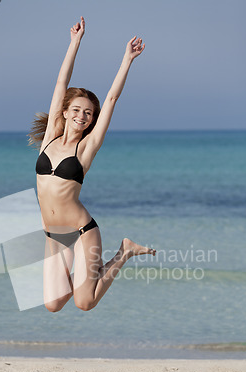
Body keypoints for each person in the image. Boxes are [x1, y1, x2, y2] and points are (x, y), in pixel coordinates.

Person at [29, 16, 156, 312]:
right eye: (76, 110)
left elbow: (111, 98)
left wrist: (127, 60)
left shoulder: (86, 147)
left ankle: (124, 252)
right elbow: (61, 83)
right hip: (54, 234)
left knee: (84, 302)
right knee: (53, 304)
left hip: (82, 229)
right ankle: (90, 272)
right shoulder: (49, 138)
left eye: (88, 113)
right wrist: (75, 42)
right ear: (65, 111)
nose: (81, 116)